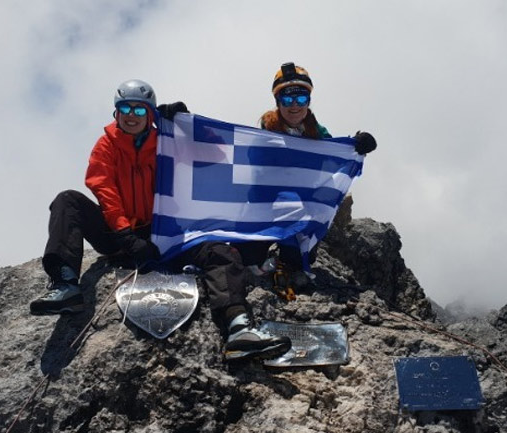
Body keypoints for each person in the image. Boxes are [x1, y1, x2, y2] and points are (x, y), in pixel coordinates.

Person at [29, 79, 291, 361]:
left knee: (219, 252)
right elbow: (103, 188)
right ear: (116, 112)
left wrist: (187, 126)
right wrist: (125, 235)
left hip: (165, 233)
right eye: (125, 108)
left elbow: (215, 154)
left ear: (151, 114)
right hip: (119, 237)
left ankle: (238, 327)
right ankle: (66, 285)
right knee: (68, 201)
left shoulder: (168, 142)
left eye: (139, 110)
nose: (131, 115)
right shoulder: (106, 145)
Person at [237, 62, 378, 293]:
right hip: (264, 206)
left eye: (301, 98)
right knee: (247, 258)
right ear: (278, 102)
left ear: (309, 101)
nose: (294, 105)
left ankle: (286, 258)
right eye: (287, 99)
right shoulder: (264, 134)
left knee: (299, 259)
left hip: (300, 209)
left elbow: (335, 157)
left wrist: (356, 144)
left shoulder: (318, 134)